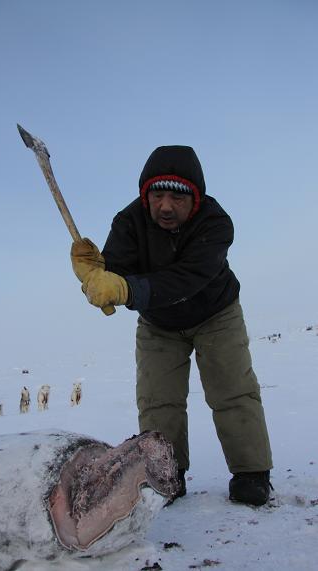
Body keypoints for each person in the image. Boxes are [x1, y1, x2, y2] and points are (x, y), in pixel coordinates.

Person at [71, 145, 273, 506]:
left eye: (176, 197)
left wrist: (126, 288)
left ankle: (251, 473)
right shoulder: (129, 222)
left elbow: (185, 279)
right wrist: (94, 274)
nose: (165, 206)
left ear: (195, 199)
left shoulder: (215, 223)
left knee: (232, 391)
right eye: (157, 195)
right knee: (158, 400)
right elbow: (115, 272)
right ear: (144, 195)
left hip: (216, 314)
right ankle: (167, 474)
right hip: (159, 324)